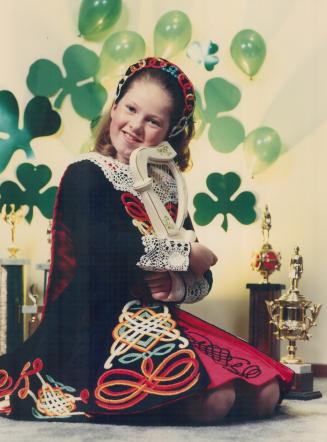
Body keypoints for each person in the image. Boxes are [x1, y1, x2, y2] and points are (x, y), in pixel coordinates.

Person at [0, 57, 294, 424]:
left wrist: (175, 285)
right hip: (93, 323)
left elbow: (203, 281)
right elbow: (102, 251)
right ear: (115, 106)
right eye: (131, 109)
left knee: (265, 393)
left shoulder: (167, 187)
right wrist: (184, 255)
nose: (135, 126)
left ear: (170, 132)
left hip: (157, 317)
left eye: (153, 120)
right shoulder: (86, 173)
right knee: (216, 401)